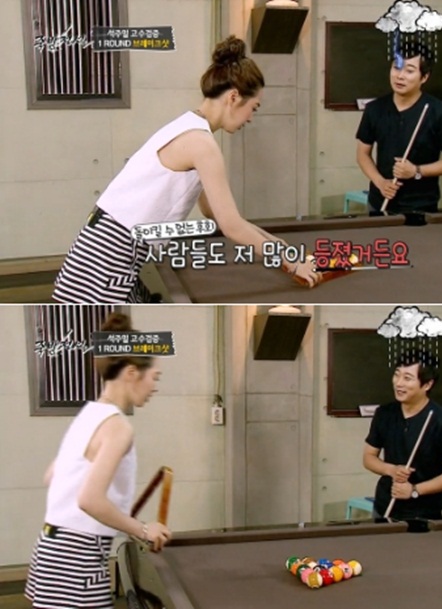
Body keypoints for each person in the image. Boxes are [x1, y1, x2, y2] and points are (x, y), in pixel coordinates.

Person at [53, 35, 320, 303]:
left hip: (106, 241)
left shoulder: (189, 127)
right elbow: (231, 226)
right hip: (108, 252)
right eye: (254, 108)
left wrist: (276, 244)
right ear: (234, 97)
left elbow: (212, 211)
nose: (250, 117)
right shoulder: (202, 144)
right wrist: (291, 263)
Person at [25, 312, 171, 608]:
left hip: (51, 546)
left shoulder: (89, 413)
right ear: (131, 372)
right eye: (154, 377)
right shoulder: (118, 427)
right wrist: (143, 529)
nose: (155, 386)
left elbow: (52, 475)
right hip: (76, 557)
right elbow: (89, 500)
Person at [356, 41, 442, 215]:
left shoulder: (438, 111)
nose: (400, 76)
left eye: (409, 71)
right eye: (396, 68)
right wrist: (380, 182)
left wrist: (416, 171)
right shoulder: (375, 109)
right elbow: (363, 154)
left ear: (424, 77)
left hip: (422, 207)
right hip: (379, 203)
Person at [363, 349, 442, 521]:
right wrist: (391, 470)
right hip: (384, 507)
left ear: (427, 385)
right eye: (397, 375)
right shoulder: (384, 413)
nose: (399, 383)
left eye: (407, 378)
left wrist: (414, 490)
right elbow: (368, 457)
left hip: (424, 514)